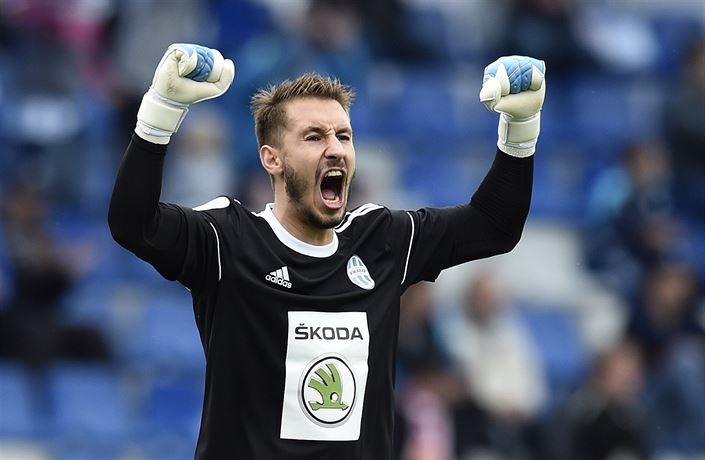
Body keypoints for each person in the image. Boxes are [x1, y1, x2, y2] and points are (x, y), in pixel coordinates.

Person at [108, 44, 545, 459]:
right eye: (314, 137)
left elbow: (493, 226)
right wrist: (160, 112)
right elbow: (134, 224)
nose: (335, 149)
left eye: (343, 136)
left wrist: (521, 128)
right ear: (272, 159)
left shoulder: (381, 241)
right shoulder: (229, 239)